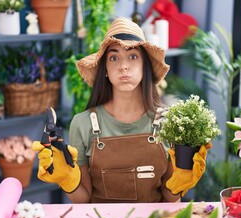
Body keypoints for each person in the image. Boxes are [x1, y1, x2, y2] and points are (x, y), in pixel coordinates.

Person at [32, 17, 210, 203]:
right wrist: (67, 180)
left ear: (144, 66)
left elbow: (168, 197)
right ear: (106, 69)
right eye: (114, 57)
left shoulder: (169, 122)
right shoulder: (83, 123)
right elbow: (83, 201)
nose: (123, 66)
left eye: (133, 56)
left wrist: (179, 183)